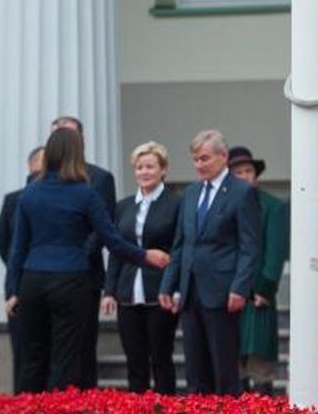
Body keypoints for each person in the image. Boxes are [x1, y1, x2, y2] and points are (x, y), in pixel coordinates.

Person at [4, 128, 169, 392]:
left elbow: (17, 249)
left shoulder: (30, 194)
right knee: (65, 359)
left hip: (32, 281)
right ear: (76, 155)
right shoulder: (85, 194)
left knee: (32, 360)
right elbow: (112, 240)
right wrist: (145, 256)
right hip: (70, 280)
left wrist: (13, 290)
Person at [159, 130, 262, 396]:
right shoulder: (191, 193)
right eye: (195, 159)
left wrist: (240, 287)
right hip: (190, 290)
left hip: (223, 290)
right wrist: (167, 285)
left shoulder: (241, 192)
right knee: (195, 368)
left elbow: (250, 246)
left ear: (223, 156)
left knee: (224, 368)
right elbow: (181, 244)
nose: (199, 165)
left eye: (204, 158)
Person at [101, 142, 182, 394]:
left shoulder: (175, 203)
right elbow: (117, 250)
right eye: (139, 167)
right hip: (127, 294)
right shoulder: (123, 206)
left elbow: (179, 249)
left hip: (161, 293)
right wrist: (109, 291)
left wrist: (176, 288)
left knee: (161, 359)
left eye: (150, 166)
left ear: (163, 170)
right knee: (135, 362)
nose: (144, 172)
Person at [50, 114, 117, 389]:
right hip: (47, 277)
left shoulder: (99, 178)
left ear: (82, 140)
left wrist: (73, 257)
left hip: (83, 275)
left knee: (82, 348)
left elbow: (102, 228)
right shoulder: (40, 179)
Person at [229, 146, 288, 395]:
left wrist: (266, 286)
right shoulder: (225, 205)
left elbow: (275, 251)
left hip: (258, 293)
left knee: (259, 357)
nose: (244, 176)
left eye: (248, 171)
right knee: (233, 359)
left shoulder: (272, 205)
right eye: (238, 172)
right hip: (229, 291)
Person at [0, 146, 44, 393]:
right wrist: (23, 274)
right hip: (19, 286)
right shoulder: (14, 199)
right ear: (31, 165)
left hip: (50, 284)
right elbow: (2, 243)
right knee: (23, 352)